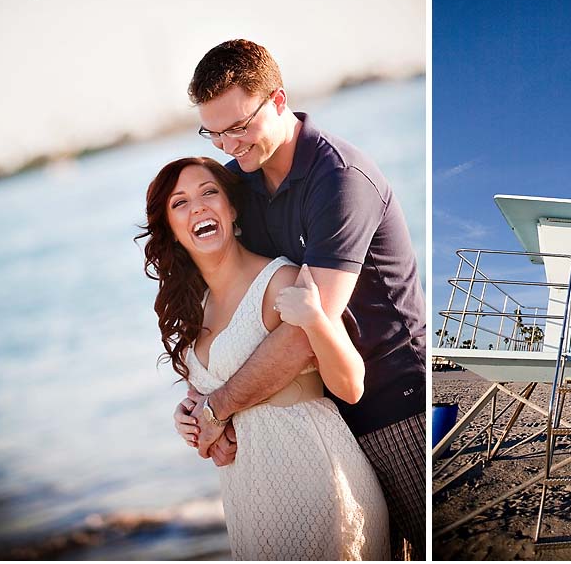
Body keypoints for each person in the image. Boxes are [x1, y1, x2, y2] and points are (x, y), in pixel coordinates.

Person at [173, 39, 426, 558]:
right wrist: (199, 404)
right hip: (320, 419)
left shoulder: (339, 180)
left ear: (279, 100)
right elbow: (239, 309)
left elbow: (304, 336)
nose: (229, 146)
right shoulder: (242, 182)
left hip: (396, 407)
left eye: (239, 126)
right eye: (214, 132)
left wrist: (220, 407)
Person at [138, 157, 390, 559]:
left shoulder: (280, 281)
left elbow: (350, 385)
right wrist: (187, 420)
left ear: (232, 208)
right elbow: (204, 399)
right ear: (170, 228)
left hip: (312, 473)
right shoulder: (192, 308)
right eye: (180, 202)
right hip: (247, 494)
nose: (199, 207)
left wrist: (316, 321)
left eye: (209, 193)